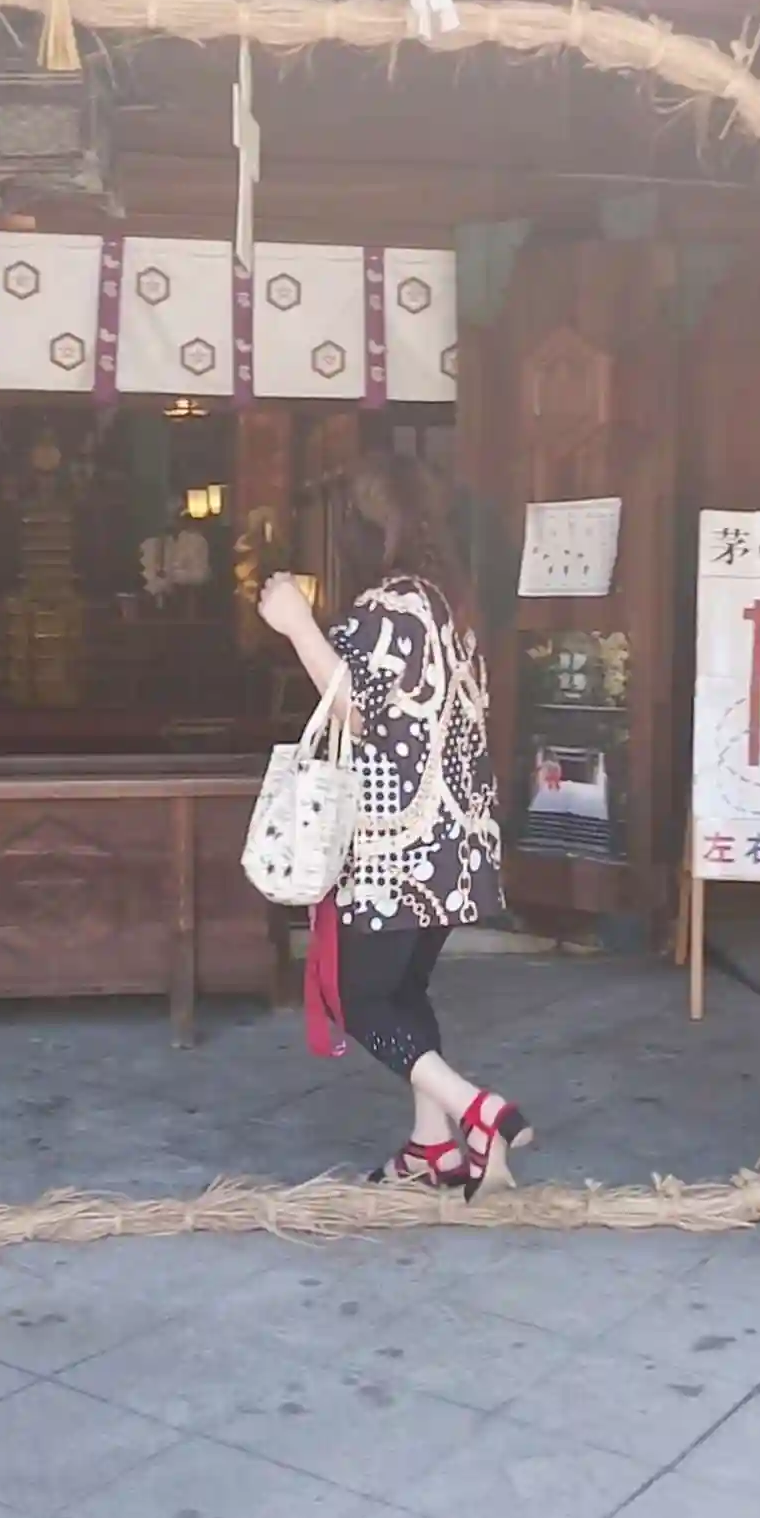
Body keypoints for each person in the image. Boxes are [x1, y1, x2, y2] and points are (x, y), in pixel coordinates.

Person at [258, 453, 532, 1201]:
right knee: (404, 990)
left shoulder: (386, 609)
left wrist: (296, 625)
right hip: (455, 850)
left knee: (362, 999)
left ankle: (480, 1112)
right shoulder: (450, 606)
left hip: (395, 854)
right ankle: (430, 1149)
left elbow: (356, 711)